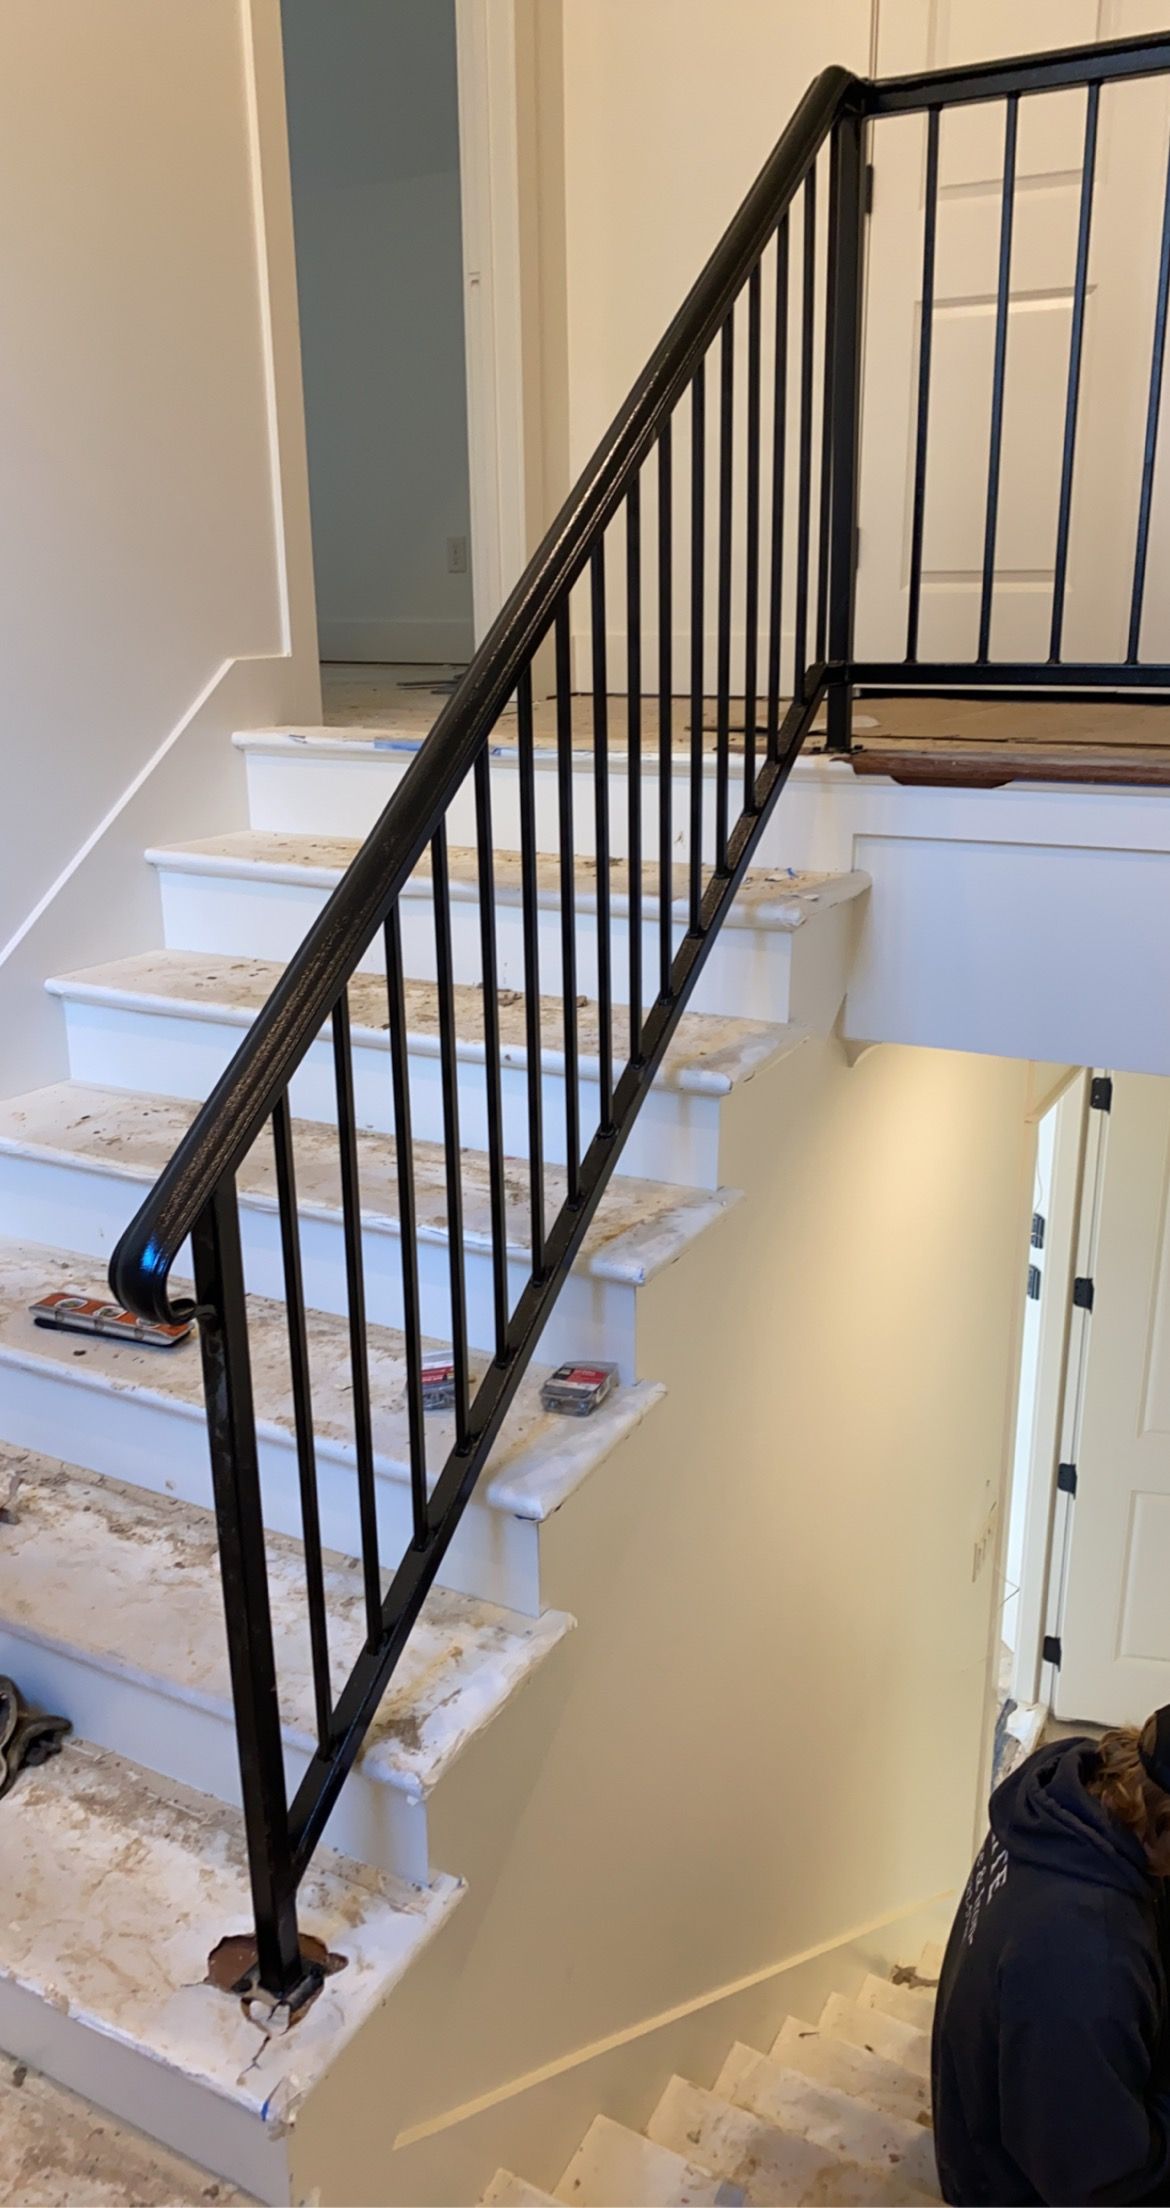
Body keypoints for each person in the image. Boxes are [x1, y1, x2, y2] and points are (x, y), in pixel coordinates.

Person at [933, 1710, 1170, 2205]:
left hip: (998, 2113)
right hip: (1016, 2186)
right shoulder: (1084, 1956)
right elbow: (1105, 2185)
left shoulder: (1065, 1797)